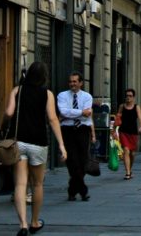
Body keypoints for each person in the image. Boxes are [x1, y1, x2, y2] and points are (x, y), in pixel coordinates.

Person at [3, 62, 67, 236]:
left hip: (19, 142)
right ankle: (34, 221)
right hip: (39, 143)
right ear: (44, 76)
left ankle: (22, 224)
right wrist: (61, 144)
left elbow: (9, 113)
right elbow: (53, 119)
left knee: (20, 184)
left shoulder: (18, 90)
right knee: (37, 184)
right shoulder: (47, 94)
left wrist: (3, 124)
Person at [56, 71, 94, 202]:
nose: (72, 84)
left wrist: (72, 113)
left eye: (75, 81)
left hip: (83, 130)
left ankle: (72, 190)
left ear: (81, 83)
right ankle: (83, 191)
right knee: (71, 160)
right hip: (67, 130)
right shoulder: (62, 95)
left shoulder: (87, 96)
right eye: (70, 81)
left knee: (83, 161)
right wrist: (81, 112)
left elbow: (87, 113)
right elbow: (63, 111)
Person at [115, 88, 141, 179]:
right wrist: (114, 130)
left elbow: (140, 118)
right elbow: (117, 118)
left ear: (133, 97)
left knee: (132, 154)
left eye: (130, 96)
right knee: (126, 150)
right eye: (127, 96)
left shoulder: (136, 107)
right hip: (123, 132)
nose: (128, 98)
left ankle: (129, 169)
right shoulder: (122, 106)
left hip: (133, 133)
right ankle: (127, 172)